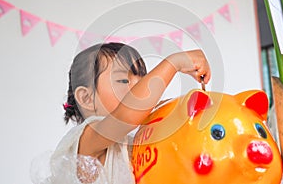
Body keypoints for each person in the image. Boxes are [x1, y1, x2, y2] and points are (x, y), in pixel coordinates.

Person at [50, 42, 210, 184]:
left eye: (142, 81)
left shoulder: (132, 143)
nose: (138, 88)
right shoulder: (86, 141)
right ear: (86, 97)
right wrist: (174, 63)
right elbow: (125, 116)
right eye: (124, 80)